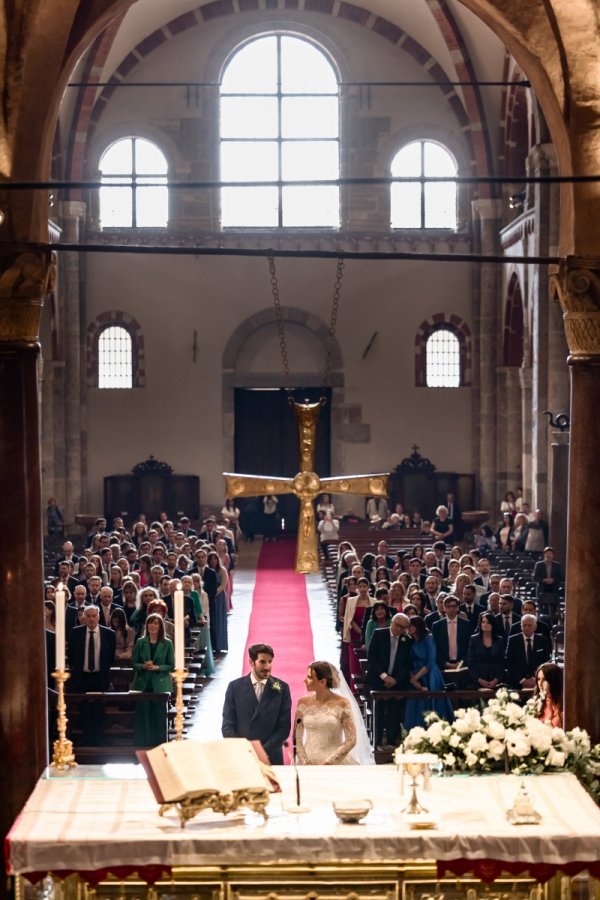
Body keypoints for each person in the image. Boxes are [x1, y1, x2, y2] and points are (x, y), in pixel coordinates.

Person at [221, 643, 291, 765]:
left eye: (270, 662)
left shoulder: (282, 688)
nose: (267, 667)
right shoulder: (235, 687)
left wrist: (262, 751)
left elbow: (284, 728)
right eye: (263, 662)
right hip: (242, 757)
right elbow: (227, 725)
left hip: (271, 757)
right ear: (251, 662)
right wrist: (244, 750)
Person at [294, 660, 373, 765]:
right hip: (307, 762)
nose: (305, 680)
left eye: (310, 677)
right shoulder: (303, 703)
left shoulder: (342, 704)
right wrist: (304, 761)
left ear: (323, 682)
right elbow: (297, 737)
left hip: (335, 762)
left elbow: (351, 739)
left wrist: (328, 762)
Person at [366, 613, 412, 748]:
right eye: (397, 625)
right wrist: (384, 676)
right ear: (392, 622)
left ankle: (392, 741)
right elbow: (372, 658)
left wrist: (395, 680)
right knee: (379, 711)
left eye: (403, 627)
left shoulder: (406, 640)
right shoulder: (379, 634)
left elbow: (407, 664)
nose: (399, 629)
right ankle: (377, 740)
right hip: (378, 679)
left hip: (397, 682)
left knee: (394, 712)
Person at [130, 613, 174, 747]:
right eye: (150, 623)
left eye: (156, 623)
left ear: (160, 626)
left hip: (160, 685)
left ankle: (159, 743)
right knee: (142, 715)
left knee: (159, 715)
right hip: (143, 683)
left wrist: (157, 667)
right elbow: (133, 662)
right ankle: (142, 743)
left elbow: (171, 665)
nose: (153, 626)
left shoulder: (167, 643)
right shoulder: (140, 642)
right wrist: (143, 666)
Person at [403, 616, 454, 729]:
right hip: (415, 673)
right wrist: (414, 679)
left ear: (417, 626)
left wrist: (416, 678)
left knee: (433, 699)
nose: (408, 628)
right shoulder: (410, 641)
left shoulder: (428, 638)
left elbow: (431, 661)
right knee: (416, 701)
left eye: (411, 625)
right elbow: (408, 661)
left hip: (429, 674)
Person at [505, 614, 552, 689]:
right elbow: (509, 662)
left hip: (538, 682)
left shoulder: (543, 641)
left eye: (529, 625)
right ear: (521, 626)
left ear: (535, 627)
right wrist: (522, 680)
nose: (526, 627)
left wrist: (534, 679)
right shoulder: (513, 640)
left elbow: (546, 662)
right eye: (524, 625)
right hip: (517, 682)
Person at [467, 611, 506, 689]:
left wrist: (496, 680)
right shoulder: (474, 639)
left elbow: (502, 662)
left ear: (493, 624)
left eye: (488, 622)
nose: (485, 624)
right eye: (483, 622)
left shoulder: (499, 640)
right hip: (478, 678)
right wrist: (479, 679)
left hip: (495, 679)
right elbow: (471, 662)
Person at [533, 662, 563, 727]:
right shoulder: (536, 703)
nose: (540, 683)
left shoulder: (562, 705)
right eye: (538, 679)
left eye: (544, 679)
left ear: (553, 681)